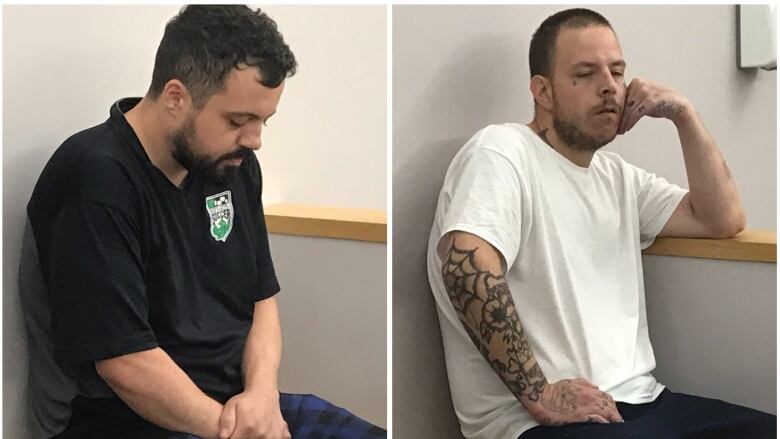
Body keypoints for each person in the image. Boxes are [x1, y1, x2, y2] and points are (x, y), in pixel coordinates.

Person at [24, 5, 386, 439]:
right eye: (238, 120)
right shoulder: (93, 179)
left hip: (234, 410)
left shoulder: (232, 166)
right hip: (123, 421)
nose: (254, 140)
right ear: (176, 97)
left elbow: (261, 300)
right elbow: (125, 363)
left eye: (263, 120)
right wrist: (240, 431)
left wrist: (263, 398)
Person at [426, 8, 775, 439]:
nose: (610, 86)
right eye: (586, 74)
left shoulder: (617, 177)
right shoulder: (501, 151)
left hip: (644, 402)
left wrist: (684, 114)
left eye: (617, 71)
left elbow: (722, 218)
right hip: (533, 424)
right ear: (543, 91)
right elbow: (466, 266)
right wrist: (539, 394)